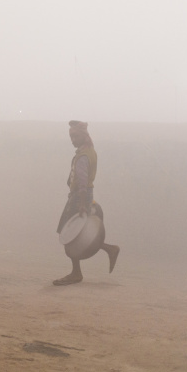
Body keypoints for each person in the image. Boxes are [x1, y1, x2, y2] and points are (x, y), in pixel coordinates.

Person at [53, 120, 119, 285]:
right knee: (79, 234)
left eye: (75, 136)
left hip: (79, 197)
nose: (72, 139)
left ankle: (76, 273)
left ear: (84, 136)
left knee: (70, 235)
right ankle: (110, 249)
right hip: (85, 196)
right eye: (71, 136)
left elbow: (82, 182)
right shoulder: (90, 151)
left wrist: (82, 203)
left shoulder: (83, 156)